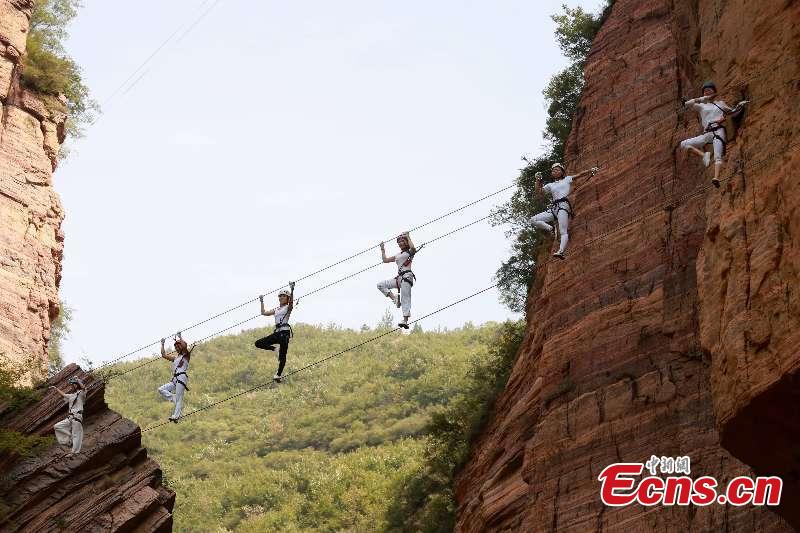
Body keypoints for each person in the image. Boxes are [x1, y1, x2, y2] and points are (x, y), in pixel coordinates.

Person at [680, 81, 749, 187]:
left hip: (718, 130)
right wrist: (703, 99)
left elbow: (733, 111)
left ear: (714, 92)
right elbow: (687, 104)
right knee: (683, 144)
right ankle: (704, 155)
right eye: (705, 91)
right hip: (707, 132)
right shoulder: (701, 106)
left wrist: (740, 105)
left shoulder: (720, 104)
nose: (707, 92)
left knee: (718, 155)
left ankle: (716, 178)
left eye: (709, 90)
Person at [530, 163, 599, 259]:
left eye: (557, 170)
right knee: (533, 220)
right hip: (554, 208)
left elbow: (579, 175)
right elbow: (539, 192)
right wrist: (537, 180)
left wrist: (591, 170)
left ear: (562, 172)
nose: (554, 171)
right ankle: (551, 229)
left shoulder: (567, 179)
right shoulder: (550, 185)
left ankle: (561, 251)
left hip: (563, 206)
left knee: (563, 231)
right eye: (553, 170)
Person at [256, 282, 297, 382]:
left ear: (287, 298)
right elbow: (263, 313)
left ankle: (278, 375)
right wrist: (261, 301)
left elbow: (291, 304)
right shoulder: (277, 309)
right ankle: (274, 349)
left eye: (284, 296)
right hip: (277, 333)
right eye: (280, 296)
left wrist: (292, 290)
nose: (281, 298)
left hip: (284, 333)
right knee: (258, 343)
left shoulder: (288, 307)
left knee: (283, 357)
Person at [377, 232, 420, 329]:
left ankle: (405, 320)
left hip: (407, 277)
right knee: (380, 285)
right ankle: (395, 299)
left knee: (405, 298)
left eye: (402, 241)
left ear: (406, 242)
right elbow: (385, 260)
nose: (400, 243)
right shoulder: (397, 255)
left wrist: (408, 236)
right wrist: (382, 249)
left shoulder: (409, 252)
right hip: (399, 278)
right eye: (399, 242)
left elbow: (413, 248)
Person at [158, 332, 194, 423]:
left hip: (181, 377)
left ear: (181, 347)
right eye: (176, 348)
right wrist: (162, 344)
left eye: (178, 347)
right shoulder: (175, 358)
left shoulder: (186, 355)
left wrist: (180, 337)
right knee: (161, 389)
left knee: (179, 399)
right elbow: (163, 355)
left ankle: (176, 416)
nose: (177, 349)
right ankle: (174, 398)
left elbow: (185, 346)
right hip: (175, 379)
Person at [51, 377, 87, 456]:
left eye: (73, 384)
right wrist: (56, 388)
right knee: (57, 426)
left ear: (77, 385)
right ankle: (69, 439)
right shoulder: (71, 395)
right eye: (72, 385)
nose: (72, 386)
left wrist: (77, 379)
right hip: (70, 417)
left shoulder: (81, 393)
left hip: (77, 416)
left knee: (76, 434)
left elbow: (83, 388)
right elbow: (63, 394)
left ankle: (74, 452)